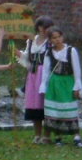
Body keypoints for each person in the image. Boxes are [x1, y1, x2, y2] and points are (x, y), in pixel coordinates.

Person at [39, 27, 82, 147]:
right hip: (54, 84)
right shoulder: (49, 52)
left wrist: (76, 86)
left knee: (70, 109)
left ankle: (76, 136)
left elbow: (77, 70)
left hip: (67, 83)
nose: (57, 40)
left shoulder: (70, 51)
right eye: (54, 38)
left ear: (62, 37)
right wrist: (43, 86)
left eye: (59, 37)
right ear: (50, 40)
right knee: (55, 110)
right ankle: (57, 136)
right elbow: (46, 71)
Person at [17, 15, 54, 144]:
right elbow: (27, 58)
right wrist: (17, 52)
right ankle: (37, 134)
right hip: (33, 75)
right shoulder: (31, 41)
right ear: (40, 28)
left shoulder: (51, 42)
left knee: (45, 103)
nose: (50, 29)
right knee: (34, 104)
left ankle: (46, 135)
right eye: (47, 27)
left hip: (46, 74)